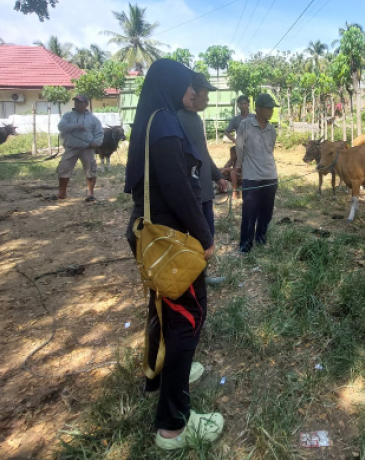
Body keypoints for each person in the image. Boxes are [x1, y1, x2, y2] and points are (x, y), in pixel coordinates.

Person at [124, 59, 224, 450]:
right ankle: (173, 425)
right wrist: (204, 236)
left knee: (164, 309)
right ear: (171, 85)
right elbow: (179, 188)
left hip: (152, 233)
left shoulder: (149, 119)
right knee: (189, 317)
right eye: (188, 86)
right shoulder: (166, 122)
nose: (192, 93)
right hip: (172, 236)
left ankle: (156, 375)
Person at [176, 74, 230, 234]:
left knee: (207, 237)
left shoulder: (196, 119)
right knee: (198, 241)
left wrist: (217, 176)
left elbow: (203, 153)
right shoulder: (178, 118)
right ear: (192, 93)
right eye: (204, 94)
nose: (207, 100)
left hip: (204, 192)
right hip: (192, 195)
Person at [235, 93, 278, 254]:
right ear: (258, 109)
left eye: (273, 108)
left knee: (267, 212)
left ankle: (261, 237)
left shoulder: (272, 129)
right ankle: (245, 245)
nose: (271, 111)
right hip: (251, 177)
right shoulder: (245, 125)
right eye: (268, 108)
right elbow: (240, 149)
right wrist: (238, 167)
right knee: (249, 212)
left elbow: (270, 150)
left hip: (270, 176)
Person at [56, 95, 103, 201]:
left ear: (86, 104)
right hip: (71, 147)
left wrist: (97, 142)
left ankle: (90, 193)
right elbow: (61, 127)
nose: (77, 104)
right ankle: (62, 192)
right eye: (76, 102)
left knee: (91, 169)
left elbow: (99, 133)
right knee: (64, 168)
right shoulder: (68, 116)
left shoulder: (93, 118)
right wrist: (74, 126)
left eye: (80, 102)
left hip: (87, 148)